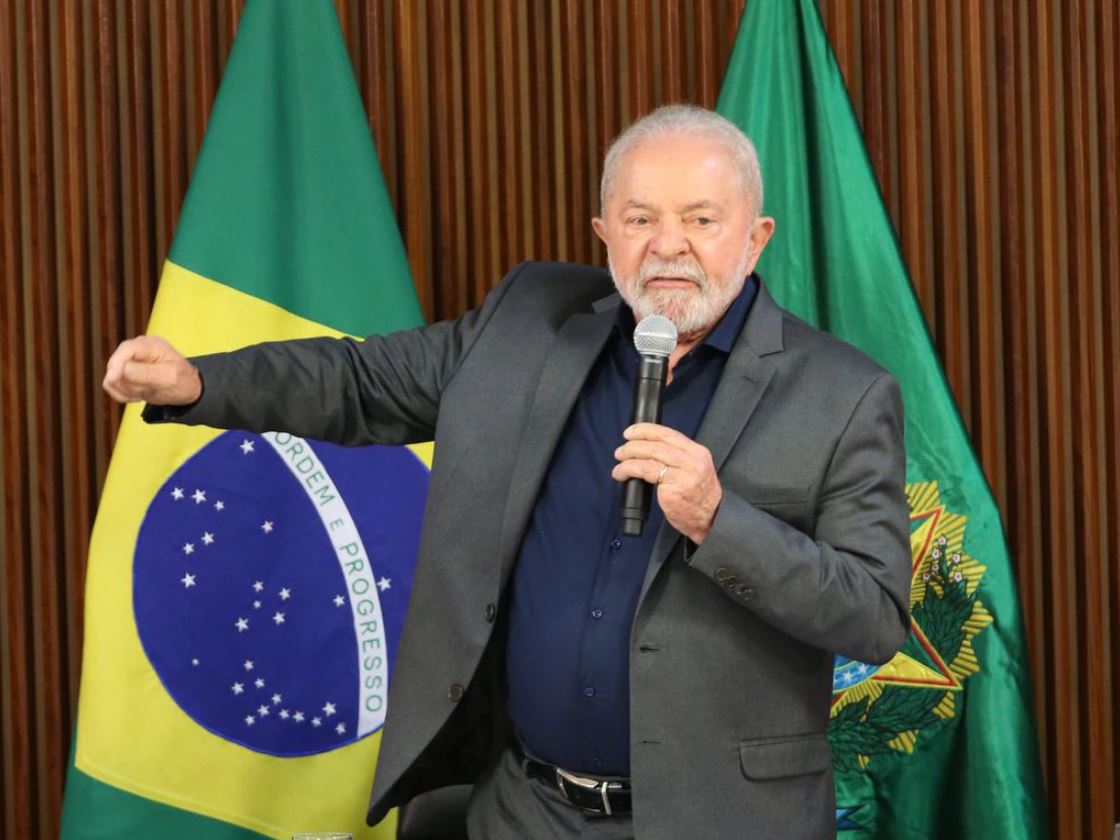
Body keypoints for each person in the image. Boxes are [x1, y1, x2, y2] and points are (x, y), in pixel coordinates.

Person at [103, 105, 911, 840]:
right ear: (604, 232)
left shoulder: (843, 395)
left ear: (756, 236)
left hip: (719, 822)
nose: (668, 245)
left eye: (700, 219)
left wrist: (717, 519)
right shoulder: (530, 319)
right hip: (525, 809)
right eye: (641, 219)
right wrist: (199, 383)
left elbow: (874, 615)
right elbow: (362, 381)